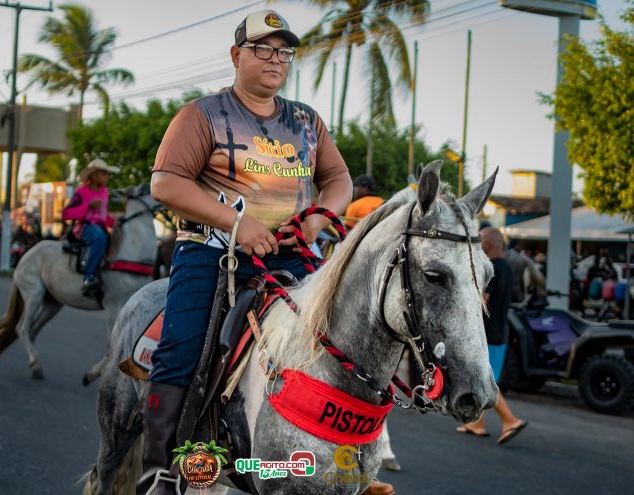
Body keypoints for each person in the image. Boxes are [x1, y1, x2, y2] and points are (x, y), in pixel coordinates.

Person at [140, 10, 394, 495]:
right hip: (215, 254)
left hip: (294, 258)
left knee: (347, 346)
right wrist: (238, 224)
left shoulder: (306, 121)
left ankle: (343, 466)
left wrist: (319, 218)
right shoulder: (202, 114)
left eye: (283, 51)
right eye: (262, 49)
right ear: (237, 55)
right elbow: (166, 183)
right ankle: (163, 474)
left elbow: (337, 180)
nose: (275, 59)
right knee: (181, 353)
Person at [456, 227, 528, 445]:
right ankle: (477, 424)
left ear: (486, 245)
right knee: (488, 378)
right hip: (500, 332)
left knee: (486, 382)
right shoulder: (506, 267)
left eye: (479, 241)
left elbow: (481, 302)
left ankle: (510, 420)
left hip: (487, 334)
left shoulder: (492, 268)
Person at [62, 158, 118, 296]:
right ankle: (89, 276)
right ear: (93, 176)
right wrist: (87, 206)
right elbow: (66, 213)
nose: (107, 177)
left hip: (101, 227)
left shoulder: (105, 192)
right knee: (99, 237)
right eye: (103, 173)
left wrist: (117, 222)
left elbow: (104, 216)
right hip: (85, 228)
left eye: (107, 174)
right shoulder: (80, 192)